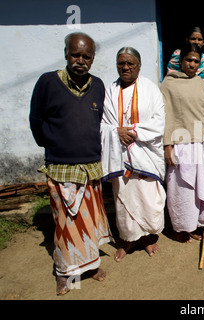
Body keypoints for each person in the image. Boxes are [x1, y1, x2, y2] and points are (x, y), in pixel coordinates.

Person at [29, 32, 112, 295]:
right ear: (66, 53)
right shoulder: (48, 82)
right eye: (75, 54)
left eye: (86, 56)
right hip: (61, 166)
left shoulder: (98, 85)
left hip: (91, 167)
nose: (80, 60)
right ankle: (64, 273)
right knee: (65, 224)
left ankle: (90, 266)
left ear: (93, 58)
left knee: (89, 224)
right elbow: (36, 121)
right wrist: (55, 145)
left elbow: (101, 124)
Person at [101, 47, 166, 262]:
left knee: (148, 197)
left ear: (139, 66)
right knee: (124, 198)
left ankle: (147, 237)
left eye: (131, 63)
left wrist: (135, 132)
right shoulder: (110, 91)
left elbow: (159, 121)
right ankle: (128, 239)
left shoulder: (151, 89)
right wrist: (116, 132)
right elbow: (102, 124)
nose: (126, 67)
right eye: (121, 63)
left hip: (145, 154)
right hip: (120, 154)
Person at [161, 43, 204, 243]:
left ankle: (196, 224)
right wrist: (168, 145)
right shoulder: (168, 83)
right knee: (181, 188)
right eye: (188, 60)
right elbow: (166, 115)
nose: (192, 64)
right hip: (181, 143)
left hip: (202, 143)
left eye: (196, 61)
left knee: (201, 185)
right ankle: (181, 227)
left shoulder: (200, 83)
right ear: (181, 61)